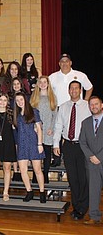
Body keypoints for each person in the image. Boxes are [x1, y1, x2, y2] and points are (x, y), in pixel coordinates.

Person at [53, 80, 91, 220]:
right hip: (68, 146)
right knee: (73, 179)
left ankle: (82, 207)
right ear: (69, 91)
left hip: (83, 146)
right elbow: (58, 126)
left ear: (80, 90)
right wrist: (56, 145)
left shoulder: (87, 106)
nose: (74, 91)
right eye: (72, 88)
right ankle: (76, 207)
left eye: (76, 88)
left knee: (83, 178)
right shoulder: (63, 107)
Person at [49, 53, 93, 167]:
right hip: (59, 108)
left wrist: (85, 102)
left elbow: (89, 87)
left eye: (66, 61)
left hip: (76, 107)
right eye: (62, 61)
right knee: (57, 129)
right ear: (59, 63)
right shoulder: (53, 77)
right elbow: (48, 92)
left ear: (70, 63)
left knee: (76, 131)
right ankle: (57, 158)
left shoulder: (80, 75)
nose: (64, 63)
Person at [13, 92, 46, 203]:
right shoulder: (17, 115)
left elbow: (39, 129)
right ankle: (29, 191)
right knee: (23, 170)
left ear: (25, 100)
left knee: (37, 170)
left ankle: (42, 192)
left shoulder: (34, 111)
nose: (19, 102)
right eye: (17, 101)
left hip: (33, 143)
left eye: (21, 100)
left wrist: (40, 144)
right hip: (22, 144)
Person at [79, 96, 103, 225]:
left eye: (96, 104)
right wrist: (91, 156)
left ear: (102, 105)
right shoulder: (86, 122)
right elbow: (82, 142)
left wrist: (100, 157)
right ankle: (94, 216)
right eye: (91, 105)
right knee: (93, 190)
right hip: (91, 162)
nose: (94, 106)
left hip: (101, 159)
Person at [30, 76, 57, 184]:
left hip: (48, 129)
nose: (42, 84)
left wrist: (52, 127)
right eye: (40, 82)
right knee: (36, 154)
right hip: (36, 129)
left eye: (44, 82)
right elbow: (30, 113)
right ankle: (36, 175)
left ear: (48, 84)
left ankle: (45, 174)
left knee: (46, 153)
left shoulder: (52, 97)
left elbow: (55, 115)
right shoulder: (34, 97)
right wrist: (34, 126)